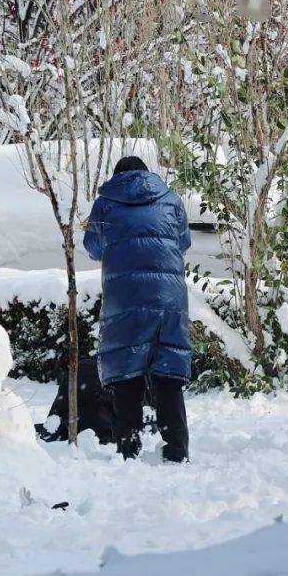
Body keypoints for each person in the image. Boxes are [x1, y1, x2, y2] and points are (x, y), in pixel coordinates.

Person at [83, 156, 191, 462]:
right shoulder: (171, 200)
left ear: (117, 176)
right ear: (147, 174)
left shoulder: (105, 204)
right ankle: (177, 450)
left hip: (125, 296)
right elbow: (183, 242)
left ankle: (128, 449)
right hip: (168, 297)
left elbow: (93, 248)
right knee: (168, 369)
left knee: (127, 371)